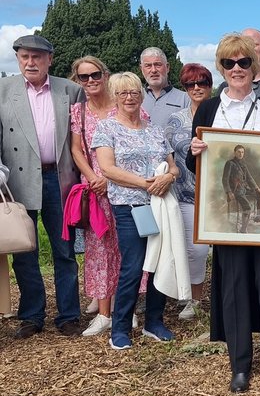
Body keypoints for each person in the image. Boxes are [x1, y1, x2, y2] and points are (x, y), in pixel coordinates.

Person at [188, 33, 260, 392]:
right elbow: (202, 170)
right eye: (229, 63)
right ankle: (239, 365)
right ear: (221, 68)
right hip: (224, 223)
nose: (237, 69)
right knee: (234, 286)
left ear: (255, 66)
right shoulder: (208, 110)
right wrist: (195, 153)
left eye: (244, 62)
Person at [0, 33, 81, 337]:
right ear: (18, 59)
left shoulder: (71, 90)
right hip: (18, 180)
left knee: (64, 250)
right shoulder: (3, 91)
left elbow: (80, 137)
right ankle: (32, 315)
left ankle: (68, 315)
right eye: (24, 57)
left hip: (61, 179)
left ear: (50, 59)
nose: (30, 62)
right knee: (24, 250)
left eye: (36, 57)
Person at [93, 72, 180, 350]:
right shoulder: (106, 129)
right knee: (133, 265)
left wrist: (169, 177)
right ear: (115, 97)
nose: (129, 98)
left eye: (133, 93)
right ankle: (119, 328)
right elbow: (108, 169)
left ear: (141, 96)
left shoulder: (154, 129)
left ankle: (154, 321)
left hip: (160, 206)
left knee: (159, 261)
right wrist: (146, 184)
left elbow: (173, 166)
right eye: (122, 93)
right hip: (130, 207)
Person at [68, 55, 121, 336]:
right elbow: (77, 149)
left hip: (123, 185)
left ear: (105, 74)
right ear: (78, 81)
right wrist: (92, 177)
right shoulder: (79, 112)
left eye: (95, 75)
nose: (90, 81)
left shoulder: (121, 105)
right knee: (99, 249)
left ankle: (125, 308)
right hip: (95, 187)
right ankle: (104, 313)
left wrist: (116, 177)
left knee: (126, 247)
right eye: (84, 77)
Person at [164, 63, 213, 321]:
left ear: (210, 85)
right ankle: (194, 299)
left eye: (202, 83)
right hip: (185, 193)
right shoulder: (177, 119)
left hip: (218, 195)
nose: (196, 88)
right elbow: (168, 152)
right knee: (195, 251)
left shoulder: (221, 113)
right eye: (190, 84)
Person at [140, 48, 189, 128]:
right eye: (148, 66)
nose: (153, 70)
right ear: (141, 69)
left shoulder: (185, 99)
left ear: (167, 67)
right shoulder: (133, 98)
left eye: (158, 65)